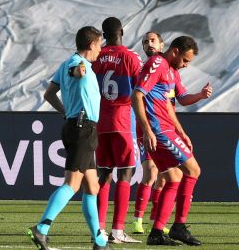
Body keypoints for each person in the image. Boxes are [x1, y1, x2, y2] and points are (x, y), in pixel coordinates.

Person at [27, 26, 112, 250]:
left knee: (92, 186)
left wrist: (65, 111)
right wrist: (78, 73)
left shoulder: (71, 63)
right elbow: (75, 70)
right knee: (72, 184)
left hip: (78, 126)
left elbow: (48, 94)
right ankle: (41, 228)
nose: (100, 50)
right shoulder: (77, 63)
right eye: (100, 45)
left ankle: (100, 241)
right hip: (83, 129)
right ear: (92, 44)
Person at [131, 31, 212, 235]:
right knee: (192, 171)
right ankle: (177, 226)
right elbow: (137, 95)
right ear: (175, 51)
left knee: (174, 177)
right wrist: (148, 129)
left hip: (166, 128)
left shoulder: (172, 72)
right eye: (185, 60)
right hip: (158, 130)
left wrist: (182, 131)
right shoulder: (156, 64)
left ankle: (158, 231)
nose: (186, 65)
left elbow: (174, 102)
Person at [90, 17, 142, 244]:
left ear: (104, 33)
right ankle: (118, 230)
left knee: (104, 174)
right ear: (121, 31)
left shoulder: (96, 56)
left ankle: (99, 229)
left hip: (100, 120)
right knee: (126, 173)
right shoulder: (131, 57)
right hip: (122, 120)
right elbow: (141, 90)